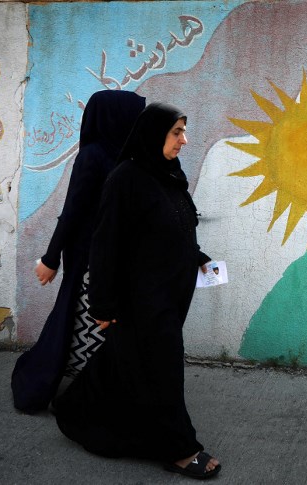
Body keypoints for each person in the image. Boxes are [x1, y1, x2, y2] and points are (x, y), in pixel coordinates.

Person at [53, 103, 221, 480]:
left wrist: (198, 256)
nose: (184, 140)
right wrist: (102, 304)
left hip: (170, 295)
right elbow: (106, 244)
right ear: (153, 134)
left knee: (123, 366)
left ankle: (74, 410)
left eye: (183, 131)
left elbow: (174, 225)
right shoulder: (125, 178)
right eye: (176, 132)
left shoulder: (169, 174)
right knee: (163, 370)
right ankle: (180, 449)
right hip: (140, 299)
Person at [11, 90, 146, 414]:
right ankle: (78, 394)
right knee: (86, 323)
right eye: (135, 115)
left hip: (118, 258)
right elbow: (72, 210)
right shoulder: (93, 156)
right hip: (89, 259)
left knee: (103, 325)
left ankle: (97, 391)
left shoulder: (129, 156)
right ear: (116, 117)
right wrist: (50, 257)